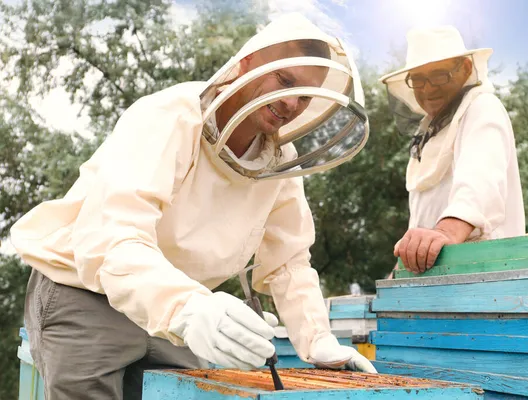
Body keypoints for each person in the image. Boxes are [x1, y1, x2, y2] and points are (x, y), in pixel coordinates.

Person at [10, 13, 375, 400]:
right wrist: (187, 309)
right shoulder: (171, 116)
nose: (290, 103)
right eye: (284, 81)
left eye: (305, 96)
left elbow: (289, 260)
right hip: (86, 289)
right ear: (245, 64)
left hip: (175, 309)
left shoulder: (281, 160)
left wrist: (317, 338)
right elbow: (113, 238)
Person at [380, 26, 525, 276]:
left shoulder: (482, 107)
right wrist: (401, 267)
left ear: (466, 69)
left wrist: (446, 232)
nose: (428, 89)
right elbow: (423, 217)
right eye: (418, 79)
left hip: (488, 278)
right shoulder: (430, 132)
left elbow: (481, 182)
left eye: (439, 75)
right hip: (440, 283)